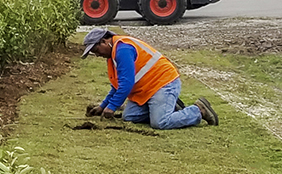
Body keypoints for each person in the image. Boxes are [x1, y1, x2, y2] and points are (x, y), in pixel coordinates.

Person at [82, 28, 218, 129]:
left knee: (160, 122)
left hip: (163, 84)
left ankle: (198, 110)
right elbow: (117, 85)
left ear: (104, 41)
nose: (97, 55)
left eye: (96, 50)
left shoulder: (122, 50)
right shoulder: (113, 53)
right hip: (147, 89)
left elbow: (126, 84)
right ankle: (170, 108)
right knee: (129, 116)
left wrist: (111, 107)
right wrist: (103, 106)